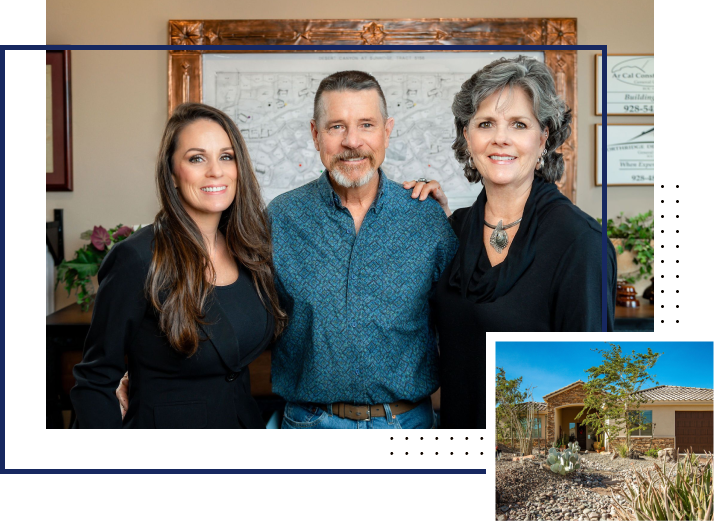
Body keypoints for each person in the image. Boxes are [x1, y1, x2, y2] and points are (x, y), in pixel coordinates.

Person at [407, 56, 617, 429]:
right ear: (467, 136)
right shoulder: (453, 231)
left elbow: (589, 386)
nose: (500, 137)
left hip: (529, 466)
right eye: (486, 123)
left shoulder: (581, 244)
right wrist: (425, 227)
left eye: (519, 124)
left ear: (543, 138)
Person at [70, 103, 286, 430]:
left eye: (226, 157)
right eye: (196, 158)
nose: (215, 171)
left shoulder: (250, 249)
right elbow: (96, 376)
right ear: (171, 171)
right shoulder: (139, 258)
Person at [267, 71, 458, 431]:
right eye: (336, 126)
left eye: (366, 124)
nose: (352, 141)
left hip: (407, 429)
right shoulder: (281, 218)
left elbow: (458, 328)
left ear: (386, 131)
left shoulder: (426, 217)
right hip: (309, 428)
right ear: (315, 134)